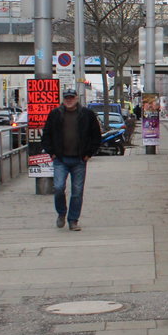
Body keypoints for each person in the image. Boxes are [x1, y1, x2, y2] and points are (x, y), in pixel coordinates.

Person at [40, 87, 102, 232]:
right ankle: (61, 212)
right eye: (66, 98)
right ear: (63, 99)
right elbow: (46, 134)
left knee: (77, 191)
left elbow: (96, 135)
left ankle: (73, 220)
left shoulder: (87, 114)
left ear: (76, 98)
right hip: (60, 159)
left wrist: (89, 153)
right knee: (59, 187)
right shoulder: (55, 114)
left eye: (71, 98)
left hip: (79, 160)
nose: (69, 100)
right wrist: (52, 153)